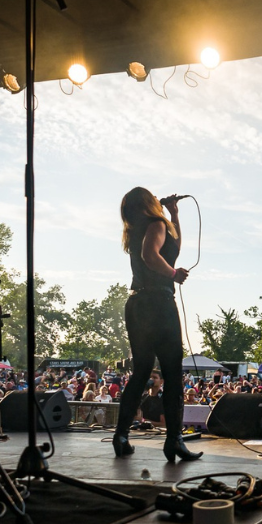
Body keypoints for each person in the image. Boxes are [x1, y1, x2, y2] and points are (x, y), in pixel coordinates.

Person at [113, 187, 201, 462]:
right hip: (158, 304)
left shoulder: (137, 229)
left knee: (141, 372)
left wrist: (174, 214)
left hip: (136, 304)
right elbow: (152, 256)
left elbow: (171, 248)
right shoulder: (156, 224)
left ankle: (121, 435)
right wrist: (173, 274)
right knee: (173, 372)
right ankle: (174, 440)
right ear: (150, 203)